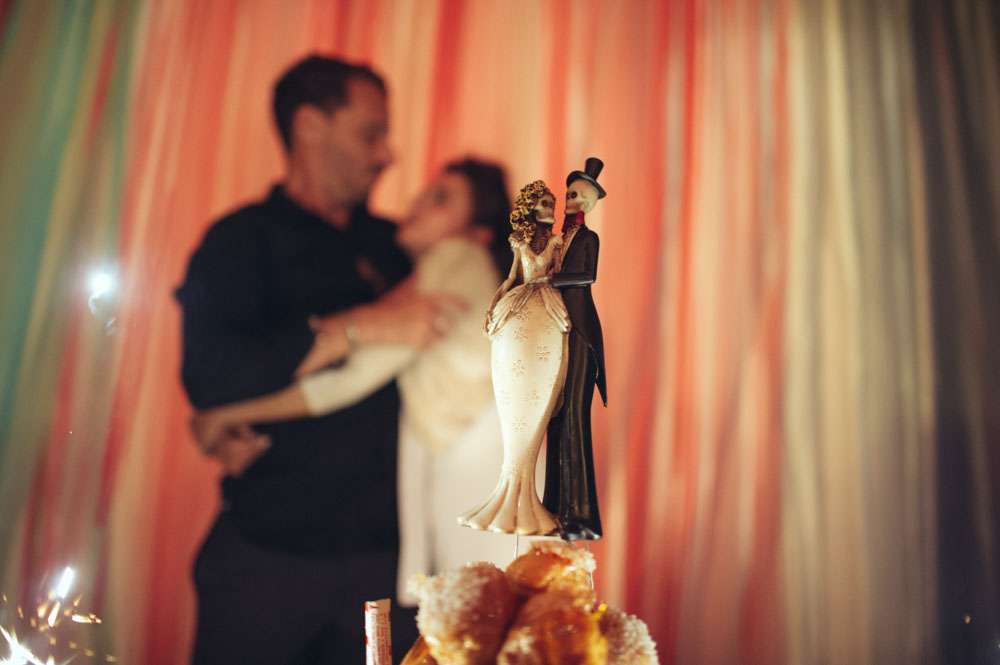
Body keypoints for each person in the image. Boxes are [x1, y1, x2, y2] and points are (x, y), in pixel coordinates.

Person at [176, 55, 460, 664]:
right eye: (370, 133)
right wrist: (357, 327)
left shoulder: (396, 247)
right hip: (266, 564)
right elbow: (211, 375)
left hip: (388, 571)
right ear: (309, 126)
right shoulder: (239, 243)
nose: (387, 154)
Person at [189, 158, 518, 610]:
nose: (417, 203)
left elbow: (350, 377)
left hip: (475, 468)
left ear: (478, 233)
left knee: (482, 618)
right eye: (427, 192)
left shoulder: (456, 258)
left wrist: (223, 415)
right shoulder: (434, 267)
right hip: (466, 469)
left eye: (441, 200)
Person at [459, 180, 570, 535]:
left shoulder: (554, 242)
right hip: (516, 310)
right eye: (544, 205)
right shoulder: (521, 242)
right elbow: (512, 277)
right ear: (530, 209)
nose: (549, 211)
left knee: (540, 397)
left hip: (547, 311)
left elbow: (555, 274)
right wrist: (494, 307)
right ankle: (507, 495)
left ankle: (525, 497)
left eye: (551, 205)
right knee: (513, 396)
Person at [543, 158, 609, 541]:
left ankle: (581, 514)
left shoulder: (588, 239)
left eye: (578, 195)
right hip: (559, 331)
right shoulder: (560, 238)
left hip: (581, 334)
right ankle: (553, 504)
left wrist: (552, 280)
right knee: (555, 416)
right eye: (568, 194)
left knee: (574, 420)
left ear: (590, 202)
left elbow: (587, 276)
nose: (571, 201)